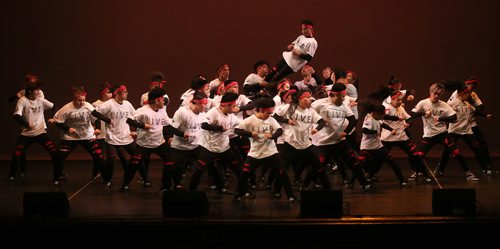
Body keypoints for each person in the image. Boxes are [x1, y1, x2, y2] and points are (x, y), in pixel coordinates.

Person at [410, 82, 479, 181]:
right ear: (430, 92)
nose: (436, 96)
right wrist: (424, 112)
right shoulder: (423, 103)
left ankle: (468, 173)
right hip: (429, 135)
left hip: (442, 134)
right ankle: (416, 172)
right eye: (435, 93)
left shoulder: (443, 104)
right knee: (419, 155)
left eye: (439, 94)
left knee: (457, 152)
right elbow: (412, 114)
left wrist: (441, 118)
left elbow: (454, 117)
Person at [234, 97, 296, 202]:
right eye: (268, 113)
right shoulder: (249, 121)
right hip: (255, 153)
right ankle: (238, 194)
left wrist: (272, 136)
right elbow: (237, 130)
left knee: (283, 173)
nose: (270, 115)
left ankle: (290, 195)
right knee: (244, 174)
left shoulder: (271, 119)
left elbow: (279, 130)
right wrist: (250, 134)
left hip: (271, 152)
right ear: (261, 110)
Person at [120, 88, 179, 190]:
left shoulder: (162, 111)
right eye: (162, 99)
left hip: (159, 143)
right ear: (156, 101)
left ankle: (167, 185)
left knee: (171, 160)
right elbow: (129, 120)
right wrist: (143, 125)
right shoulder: (143, 111)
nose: (164, 102)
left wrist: (180, 133)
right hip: (144, 144)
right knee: (134, 163)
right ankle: (125, 184)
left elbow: (168, 126)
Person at [52, 86, 109, 186]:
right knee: (58, 158)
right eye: (79, 101)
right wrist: (68, 128)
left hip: (87, 136)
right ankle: (56, 178)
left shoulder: (88, 106)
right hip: (70, 138)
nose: (82, 103)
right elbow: (58, 122)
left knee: (99, 157)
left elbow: (96, 118)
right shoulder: (66, 109)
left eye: (83, 100)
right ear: (74, 99)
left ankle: (106, 179)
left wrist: (98, 128)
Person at [9, 79, 59, 183]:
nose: (39, 92)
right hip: (26, 134)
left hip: (40, 133)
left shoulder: (40, 100)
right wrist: (27, 124)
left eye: (39, 90)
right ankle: (12, 175)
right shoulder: (23, 100)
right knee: (16, 154)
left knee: (55, 152)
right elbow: (16, 115)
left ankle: (58, 175)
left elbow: (54, 106)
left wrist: (54, 118)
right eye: (36, 90)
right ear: (30, 91)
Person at [264, 20, 318, 89]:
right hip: (287, 57)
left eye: (305, 29)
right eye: (302, 29)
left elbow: (309, 57)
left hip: (292, 65)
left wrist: (299, 54)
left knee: (277, 77)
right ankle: (261, 86)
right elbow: (293, 44)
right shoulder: (301, 37)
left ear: (310, 29)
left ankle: (265, 91)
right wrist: (290, 46)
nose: (303, 31)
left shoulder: (313, 42)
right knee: (273, 71)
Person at [91, 82, 112, 179]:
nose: (110, 94)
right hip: (101, 134)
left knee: (110, 156)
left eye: (111, 92)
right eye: (108, 92)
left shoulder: (112, 103)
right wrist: (95, 128)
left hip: (110, 133)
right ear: (103, 94)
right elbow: (92, 119)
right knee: (100, 156)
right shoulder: (95, 104)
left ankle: (107, 174)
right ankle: (95, 174)